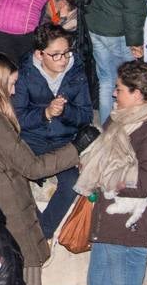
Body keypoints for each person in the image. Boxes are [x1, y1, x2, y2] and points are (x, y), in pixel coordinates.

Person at [0, 53, 93, 285]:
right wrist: (76, 148)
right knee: (27, 269)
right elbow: (32, 167)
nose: (14, 91)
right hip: (6, 200)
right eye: (11, 84)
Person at [77, 60, 147, 285]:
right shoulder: (120, 119)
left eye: (119, 89)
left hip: (134, 229)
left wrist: (105, 175)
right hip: (110, 222)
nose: (113, 93)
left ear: (137, 94)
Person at [12, 24, 93, 238]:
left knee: (72, 183)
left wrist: (65, 111)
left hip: (63, 142)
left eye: (66, 53)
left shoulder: (76, 73)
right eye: (56, 55)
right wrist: (45, 113)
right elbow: (15, 118)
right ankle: (32, 224)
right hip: (31, 141)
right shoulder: (24, 74)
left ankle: (44, 232)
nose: (64, 60)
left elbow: (85, 115)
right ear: (39, 54)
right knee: (12, 181)